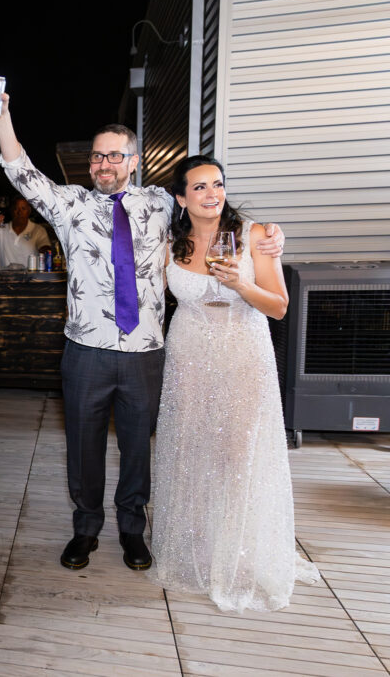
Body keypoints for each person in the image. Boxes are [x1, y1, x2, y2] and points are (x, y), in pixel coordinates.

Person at [0, 86, 285, 573]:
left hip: (145, 352)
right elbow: (21, 170)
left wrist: (268, 233)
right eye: (98, 156)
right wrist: (1, 119)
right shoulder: (68, 205)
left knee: (138, 446)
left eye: (114, 156)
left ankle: (132, 531)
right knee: (83, 446)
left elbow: (211, 208)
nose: (104, 164)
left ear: (133, 161)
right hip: (86, 352)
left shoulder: (162, 204)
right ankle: (85, 529)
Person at [147, 155, 320, 611]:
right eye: (199, 187)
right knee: (192, 449)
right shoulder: (170, 245)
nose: (212, 194)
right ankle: (195, 552)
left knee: (238, 454)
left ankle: (239, 556)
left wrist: (241, 286)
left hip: (245, 354)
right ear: (181, 199)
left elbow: (280, 306)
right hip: (189, 356)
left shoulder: (256, 236)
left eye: (218, 185)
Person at [0, 194, 51, 268]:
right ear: (11, 211)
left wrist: (44, 250)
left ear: (29, 211)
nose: (19, 212)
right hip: (7, 278)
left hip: (31, 278)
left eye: (23, 208)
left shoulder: (38, 230)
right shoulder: (1, 230)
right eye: (16, 208)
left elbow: (46, 250)